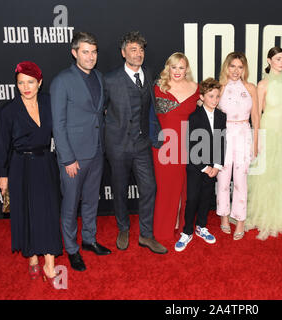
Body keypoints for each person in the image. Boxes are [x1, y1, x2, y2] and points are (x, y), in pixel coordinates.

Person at [0, 61, 63, 288]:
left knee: (49, 212)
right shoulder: (9, 111)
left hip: (45, 163)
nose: (26, 87)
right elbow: (1, 145)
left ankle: (50, 263)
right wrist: (3, 174)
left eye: (31, 82)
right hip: (20, 166)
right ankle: (33, 256)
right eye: (21, 83)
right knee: (27, 212)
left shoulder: (48, 103)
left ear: (39, 83)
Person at [50, 32, 111, 272]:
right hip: (73, 157)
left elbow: (99, 111)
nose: (91, 56)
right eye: (85, 52)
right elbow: (59, 124)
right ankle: (72, 249)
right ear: (74, 53)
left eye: (94, 52)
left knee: (90, 202)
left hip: (97, 151)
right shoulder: (61, 81)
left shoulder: (98, 76)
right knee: (70, 204)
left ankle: (89, 240)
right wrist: (67, 158)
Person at [104, 31, 167, 254]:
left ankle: (146, 235)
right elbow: (99, 111)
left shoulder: (149, 74)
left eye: (141, 50)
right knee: (119, 189)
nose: (138, 54)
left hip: (141, 144)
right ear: (123, 53)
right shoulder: (109, 79)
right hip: (118, 145)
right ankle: (123, 228)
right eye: (133, 49)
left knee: (149, 187)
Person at [245, 47, 282, 240]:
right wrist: (257, 139)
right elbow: (257, 113)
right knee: (266, 172)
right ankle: (264, 212)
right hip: (268, 129)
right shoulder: (262, 84)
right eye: (278, 58)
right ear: (269, 60)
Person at [175, 78, 227, 251]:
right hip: (196, 167)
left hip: (213, 166)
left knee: (206, 197)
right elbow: (191, 146)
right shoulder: (194, 117)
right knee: (193, 199)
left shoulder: (221, 116)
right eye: (211, 96)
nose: (214, 99)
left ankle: (201, 227)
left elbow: (221, 141)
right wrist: (205, 167)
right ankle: (187, 231)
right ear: (202, 97)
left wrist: (217, 166)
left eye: (217, 96)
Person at [152, 52, 199, 241]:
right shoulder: (157, 87)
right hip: (165, 145)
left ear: (186, 68)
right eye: (174, 67)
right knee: (166, 188)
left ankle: (181, 225)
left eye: (181, 67)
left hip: (189, 144)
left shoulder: (196, 88)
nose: (177, 71)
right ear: (168, 68)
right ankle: (164, 228)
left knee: (185, 188)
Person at [216, 52, 259, 240]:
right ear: (226, 67)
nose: (236, 70)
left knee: (241, 181)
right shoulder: (220, 87)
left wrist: (256, 141)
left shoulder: (250, 88)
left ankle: (240, 220)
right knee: (223, 180)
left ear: (244, 69)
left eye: (240, 67)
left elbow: (256, 116)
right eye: (232, 66)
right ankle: (224, 217)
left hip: (244, 135)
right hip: (223, 136)